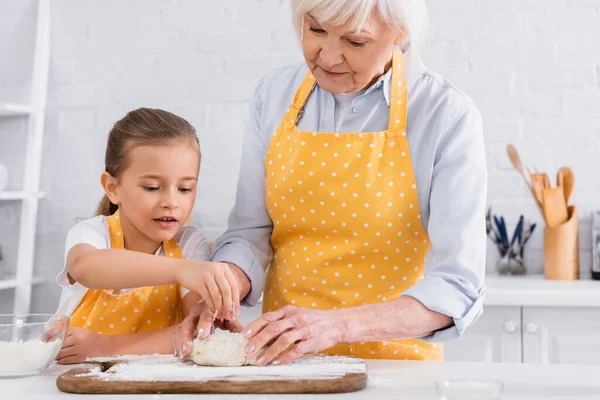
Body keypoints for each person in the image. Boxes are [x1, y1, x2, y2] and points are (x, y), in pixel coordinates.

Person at [175, 0, 487, 366]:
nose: (329, 56)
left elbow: (458, 285)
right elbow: (250, 234)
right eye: (316, 30)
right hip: (281, 361)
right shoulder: (274, 95)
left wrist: (336, 326)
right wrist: (217, 295)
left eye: (355, 42)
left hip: (396, 366)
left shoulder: (444, 114)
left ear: (401, 34)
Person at [52, 108, 247, 364]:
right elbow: (84, 267)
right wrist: (183, 270)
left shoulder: (189, 244)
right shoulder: (92, 233)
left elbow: (194, 332)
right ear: (113, 188)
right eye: (152, 187)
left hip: (155, 380)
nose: (171, 202)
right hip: (77, 376)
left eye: (185, 188)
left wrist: (104, 345)